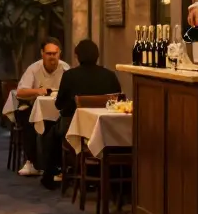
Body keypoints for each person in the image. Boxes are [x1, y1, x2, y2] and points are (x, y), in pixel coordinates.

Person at [41, 39, 122, 190]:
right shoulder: (109, 76)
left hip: (76, 129)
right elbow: (118, 100)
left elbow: (59, 104)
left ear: (77, 56)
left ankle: (50, 175)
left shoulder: (70, 76)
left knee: (51, 133)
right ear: (97, 56)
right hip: (104, 129)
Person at [13, 39, 70, 176]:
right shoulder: (34, 69)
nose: (52, 57)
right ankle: (31, 161)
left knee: (64, 122)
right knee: (28, 118)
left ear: (59, 54)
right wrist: (37, 91)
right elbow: (20, 92)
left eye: (54, 54)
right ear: (42, 54)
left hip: (57, 109)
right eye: (48, 53)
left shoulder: (66, 69)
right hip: (33, 106)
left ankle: (60, 165)